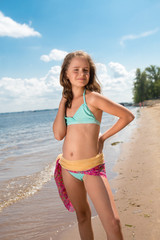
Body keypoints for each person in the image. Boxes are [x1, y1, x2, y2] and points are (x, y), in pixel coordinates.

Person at [53, 50, 134, 240]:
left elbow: (127, 116)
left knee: (113, 224)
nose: (81, 74)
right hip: (68, 169)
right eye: (76, 70)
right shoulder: (66, 102)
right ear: (65, 73)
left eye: (86, 70)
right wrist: (63, 100)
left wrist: (103, 138)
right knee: (82, 217)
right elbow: (58, 135)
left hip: (91, 168)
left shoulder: (93, 98)